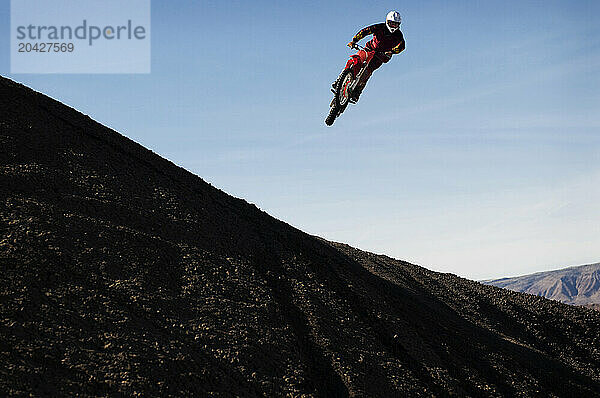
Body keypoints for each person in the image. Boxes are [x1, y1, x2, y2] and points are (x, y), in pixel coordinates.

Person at [340, 11, 405, 102]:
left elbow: (402, 46)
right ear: (387, 22)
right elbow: (365, 31)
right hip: (370, 49)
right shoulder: (379, 27)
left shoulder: (398, 35)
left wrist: (391, 51)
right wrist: (354, 40)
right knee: (357, 59)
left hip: (381, 56)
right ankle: (341, 78)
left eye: (395, 24)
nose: (393, 26)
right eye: (391, 23)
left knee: (367, 72)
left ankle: (356, 93)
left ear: (399, 25)